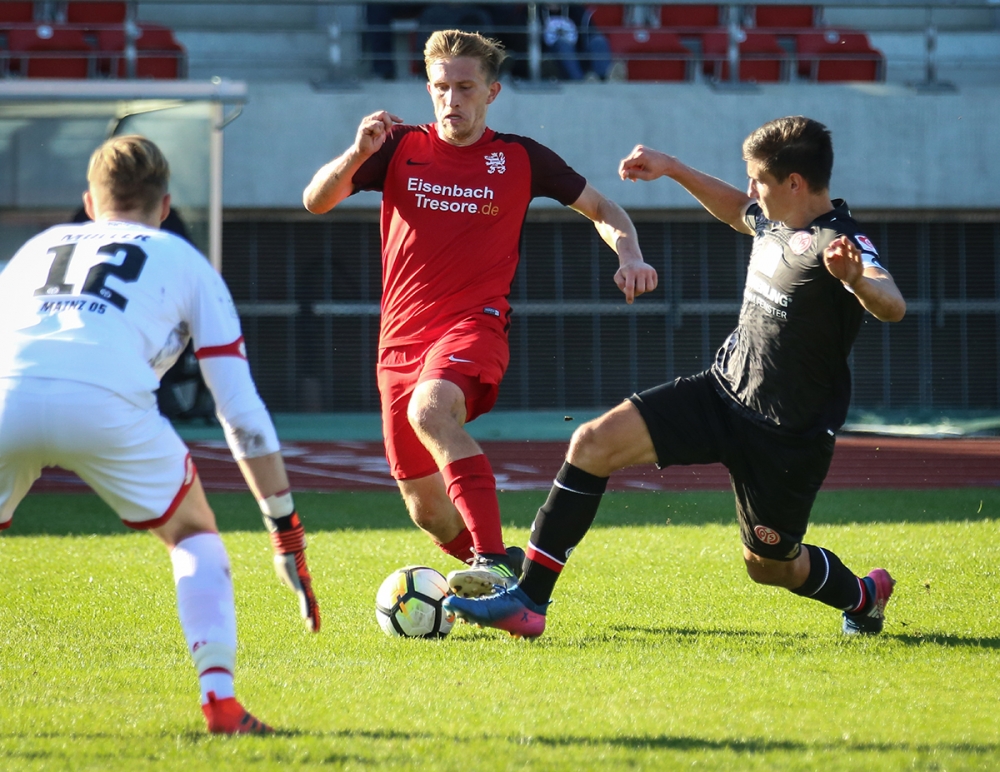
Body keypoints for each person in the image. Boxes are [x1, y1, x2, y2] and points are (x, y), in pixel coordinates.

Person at [444, 116, 907, 638]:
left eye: (758, 179)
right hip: (721, 392)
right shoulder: (776, 217)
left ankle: (863, 596)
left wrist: (855, 280)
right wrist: (672, 168)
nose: (751, 189)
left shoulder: (839, 242)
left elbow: (891, 304)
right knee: (592, 443)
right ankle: (528, 601)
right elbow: (736, 210)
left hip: (786, 433)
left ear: (795, 183)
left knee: (770, 566)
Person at [302, 29, 657, 598]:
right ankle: (504, 577)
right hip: (398, 343)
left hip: (475, 323)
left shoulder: (518, 157)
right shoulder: (396, 147)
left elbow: (602, 207)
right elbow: (316, 201)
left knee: (430, 410)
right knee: (426, 510)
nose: (452, 99)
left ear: (492, 92)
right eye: (442, 87)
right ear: (428, 88)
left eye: (465, 88)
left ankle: (490, 558)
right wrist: (358, 151)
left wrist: (630, 254)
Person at [0, 135, 321, 734]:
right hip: (107, 401)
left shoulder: (37, 248)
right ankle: (220, 704)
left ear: (90, 203)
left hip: (6, 397)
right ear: (166, 205)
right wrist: (286, 533)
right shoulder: (183, 260)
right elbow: (240, 412)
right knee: (193, 534)